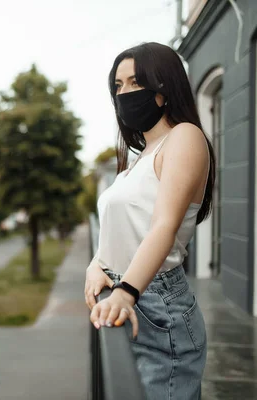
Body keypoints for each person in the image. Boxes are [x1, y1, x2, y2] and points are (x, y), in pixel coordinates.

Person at [84, 41, 215, 399]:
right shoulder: (140, 158)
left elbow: (163, 226)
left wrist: (125, 292)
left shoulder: (185, 137)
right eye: (118, 85)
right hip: (131, 291)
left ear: (163, 89)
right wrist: (98, 264)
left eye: (135, 83)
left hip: (156, 303)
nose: (124, 93)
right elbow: (126, 224)